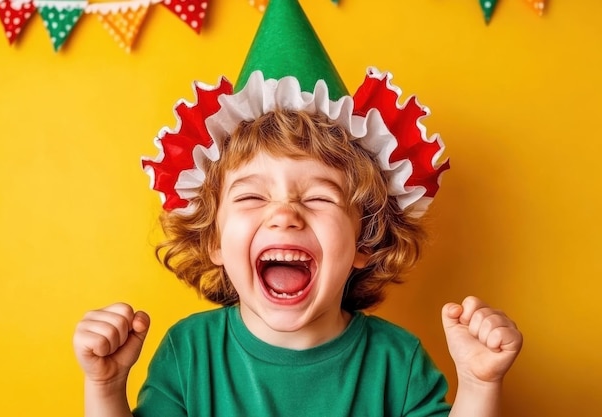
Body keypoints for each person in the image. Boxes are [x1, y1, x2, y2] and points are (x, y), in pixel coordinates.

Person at [73, 1, 522, 416]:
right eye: (251, 196)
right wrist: (106, 386)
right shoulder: (188, 353)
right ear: (214, 240)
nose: (285, 214)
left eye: (319, 197)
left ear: (364, 240)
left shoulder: (397, 363)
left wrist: (479, 384)